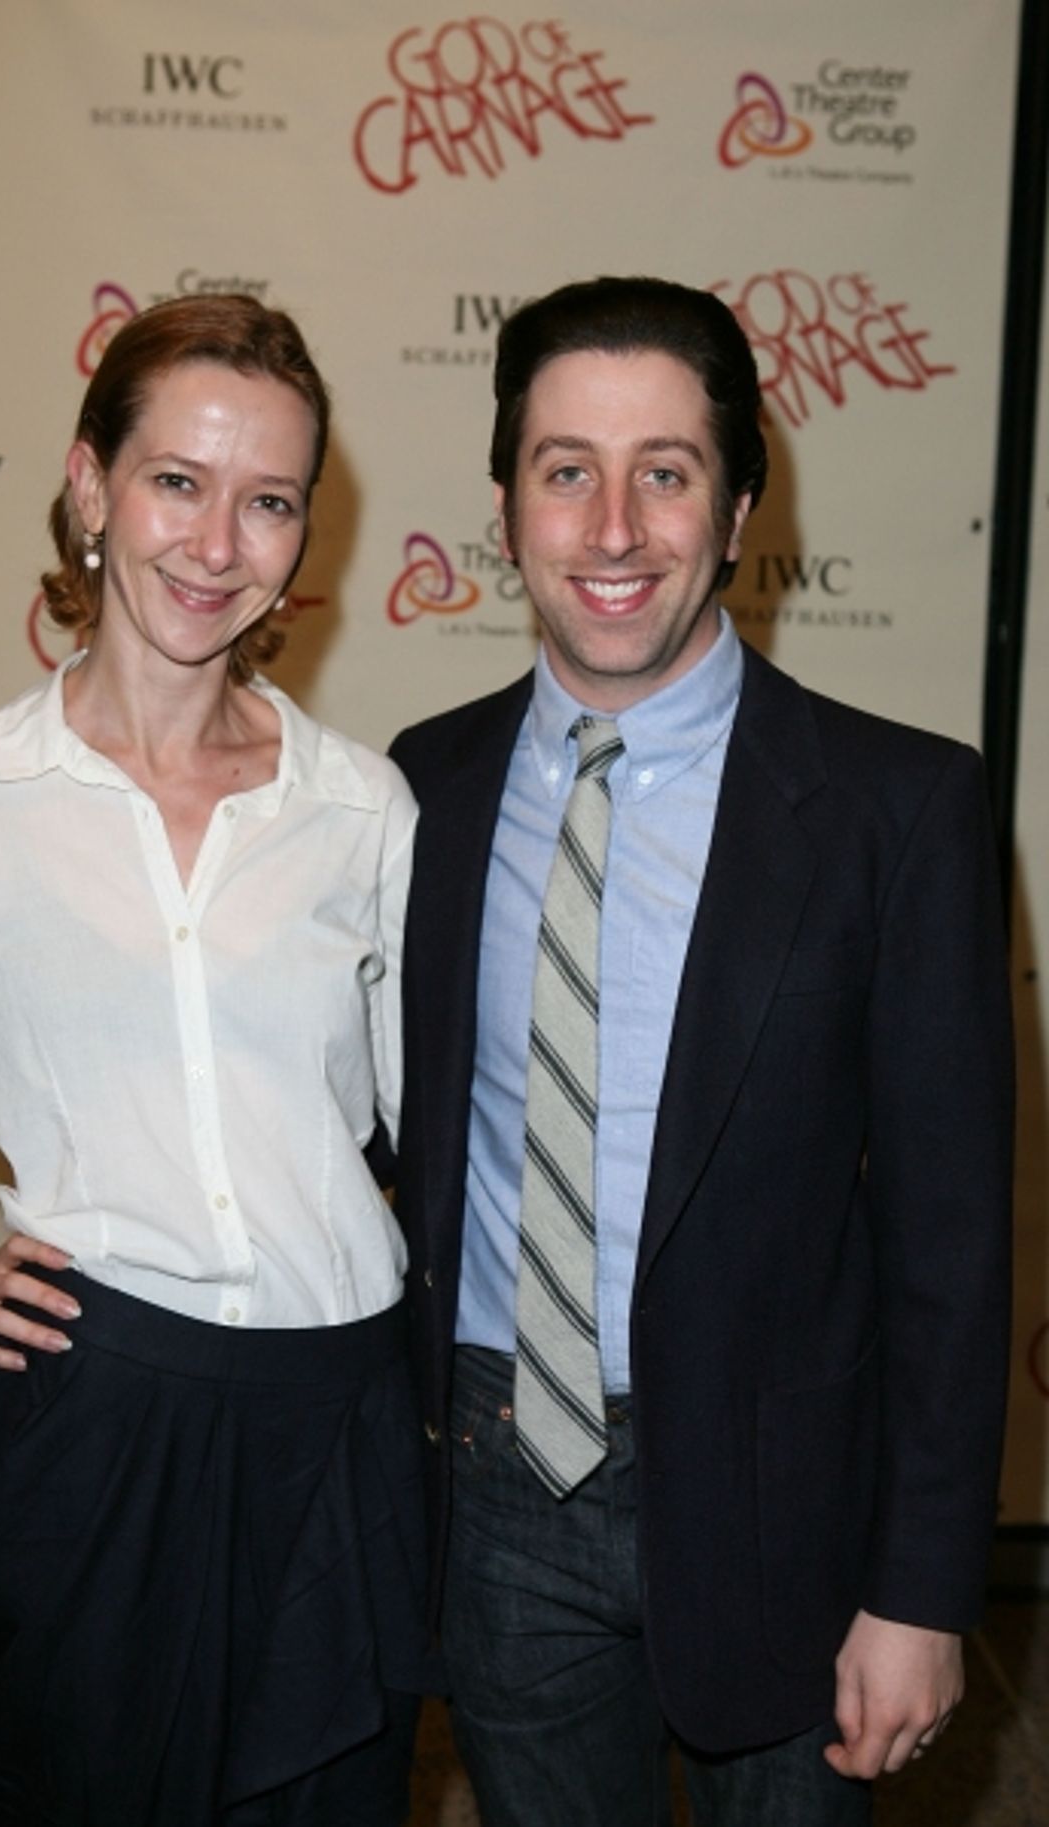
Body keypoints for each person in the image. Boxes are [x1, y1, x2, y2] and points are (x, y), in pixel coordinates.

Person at [389, 275, 1013, 1826]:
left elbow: (951, 1240)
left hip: (784, 1504)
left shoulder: (900, 811)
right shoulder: (419, 791)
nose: (612, 530)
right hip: (493, 1483)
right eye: (565, 471)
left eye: (664, 472)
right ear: (504, 505)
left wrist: (923, 1592)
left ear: (738, 509)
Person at [0, 294, 428, 1827]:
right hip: (94, 1421)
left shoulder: (364, 808)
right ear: (91, 485)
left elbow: (416, 1128)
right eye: (178, 480)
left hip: (339, 1424)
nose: (217, 540)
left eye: (270, 500)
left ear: (306, 536)